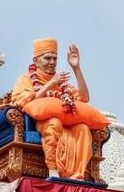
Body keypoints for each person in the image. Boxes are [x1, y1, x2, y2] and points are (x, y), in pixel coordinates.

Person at [11, 38, 94, 180]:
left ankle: (76, 174)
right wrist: (50, 84)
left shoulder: (62, 84)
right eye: (47, 58)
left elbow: (84, 98)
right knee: (54, 122)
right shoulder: (25, 79)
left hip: (67, 125)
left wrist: (76, 69)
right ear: (36, 61)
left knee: (83, 129)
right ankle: (53, 170)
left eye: (55, 59)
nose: (52, 62)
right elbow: (22, 101)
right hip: (42, 122)